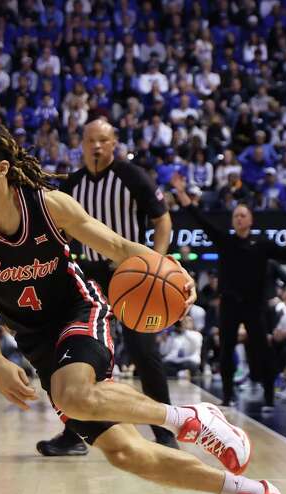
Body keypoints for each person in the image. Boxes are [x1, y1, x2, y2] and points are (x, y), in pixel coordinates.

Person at [0, 121, 286, 494]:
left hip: (79, 310)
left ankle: (189, 418)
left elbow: (120, 249)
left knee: (73, 395)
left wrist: (171, 269)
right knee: (125, 453)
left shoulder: (49, 205)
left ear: (2, 169)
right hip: (37, 344)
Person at [37, 118, 179, 456]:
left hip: (130, 273)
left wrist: (155, 264)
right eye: (90, 140)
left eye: (103, 140)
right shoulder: (72, 183)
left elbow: (162, 218)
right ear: (82, 144)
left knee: (144, 351)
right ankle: (76, 434)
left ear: (114, 142)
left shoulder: (131, 176)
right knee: (80, 354)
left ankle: (165, 430)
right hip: (88, 275)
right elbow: (64, 231)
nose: (96, 146)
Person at [170, 174, 286, 410]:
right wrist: (182, 195)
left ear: (250, 220)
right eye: (235, 216)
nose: (239, 219)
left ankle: (270, 396)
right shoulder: (226, 241)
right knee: (226, 348)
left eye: (243, 215)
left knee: (263, 349)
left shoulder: (262, 244)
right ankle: (228, 396)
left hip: (255, 306)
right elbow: (201, 219)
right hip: (230, 304)